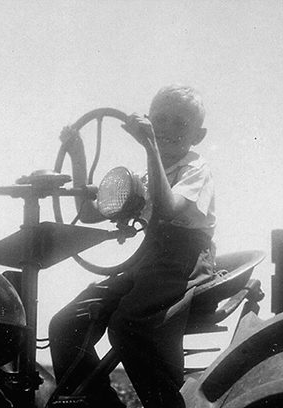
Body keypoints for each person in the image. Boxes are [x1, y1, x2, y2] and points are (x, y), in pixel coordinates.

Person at [49, 84, 216, 408]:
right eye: (160, 121)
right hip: (147, 261)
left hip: (184, 261)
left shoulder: (196, 169)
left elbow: (167, 207)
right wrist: (78, 155)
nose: (167, 129)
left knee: (129, 325)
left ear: (199, 135)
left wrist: (150, 146)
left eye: (179, 123)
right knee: (67, 323)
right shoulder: (143, 176)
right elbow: (87, 212)